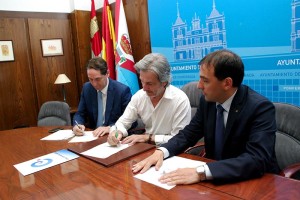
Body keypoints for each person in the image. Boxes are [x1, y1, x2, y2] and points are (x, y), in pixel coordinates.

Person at [132, 49, 280, 184]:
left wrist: (201, 172)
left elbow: (256, 160)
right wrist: (161, 151)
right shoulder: (208, 101)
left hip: (255, 182)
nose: (199, 86)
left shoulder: (260, 108)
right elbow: (189, 134)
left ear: (227, 83)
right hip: (217, 180)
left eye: (205, 80)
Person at [107, 53, 191, 146]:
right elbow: (122, 122)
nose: (144, 88)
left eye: (149, 84)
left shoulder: (180, 100)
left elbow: (180, 138)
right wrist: (117, 133)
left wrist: (149, 137)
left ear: (164, 82)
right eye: (142, 81)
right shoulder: (140, 96)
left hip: (172, 151)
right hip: (146, 148)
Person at [73, 57, 132, 137]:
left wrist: (110, 128)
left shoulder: (122, 91)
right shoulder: (87, 88)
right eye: (90, 79)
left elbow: (131, 121)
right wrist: (77, 125)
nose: (94, 84)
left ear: (107, 73)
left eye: (98, 79)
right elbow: (80, 114)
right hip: (92, 136)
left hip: (113, 136)